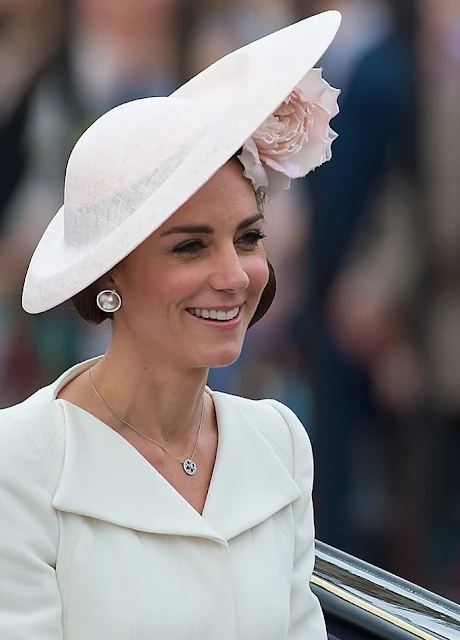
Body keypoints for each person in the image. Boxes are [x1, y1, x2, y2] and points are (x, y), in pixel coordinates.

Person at [0, 11, 341, 639]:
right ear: (108, 276)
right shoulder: (20, 461)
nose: (234, 275)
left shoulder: (280, 441)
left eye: (247, 238)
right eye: (190, 247)